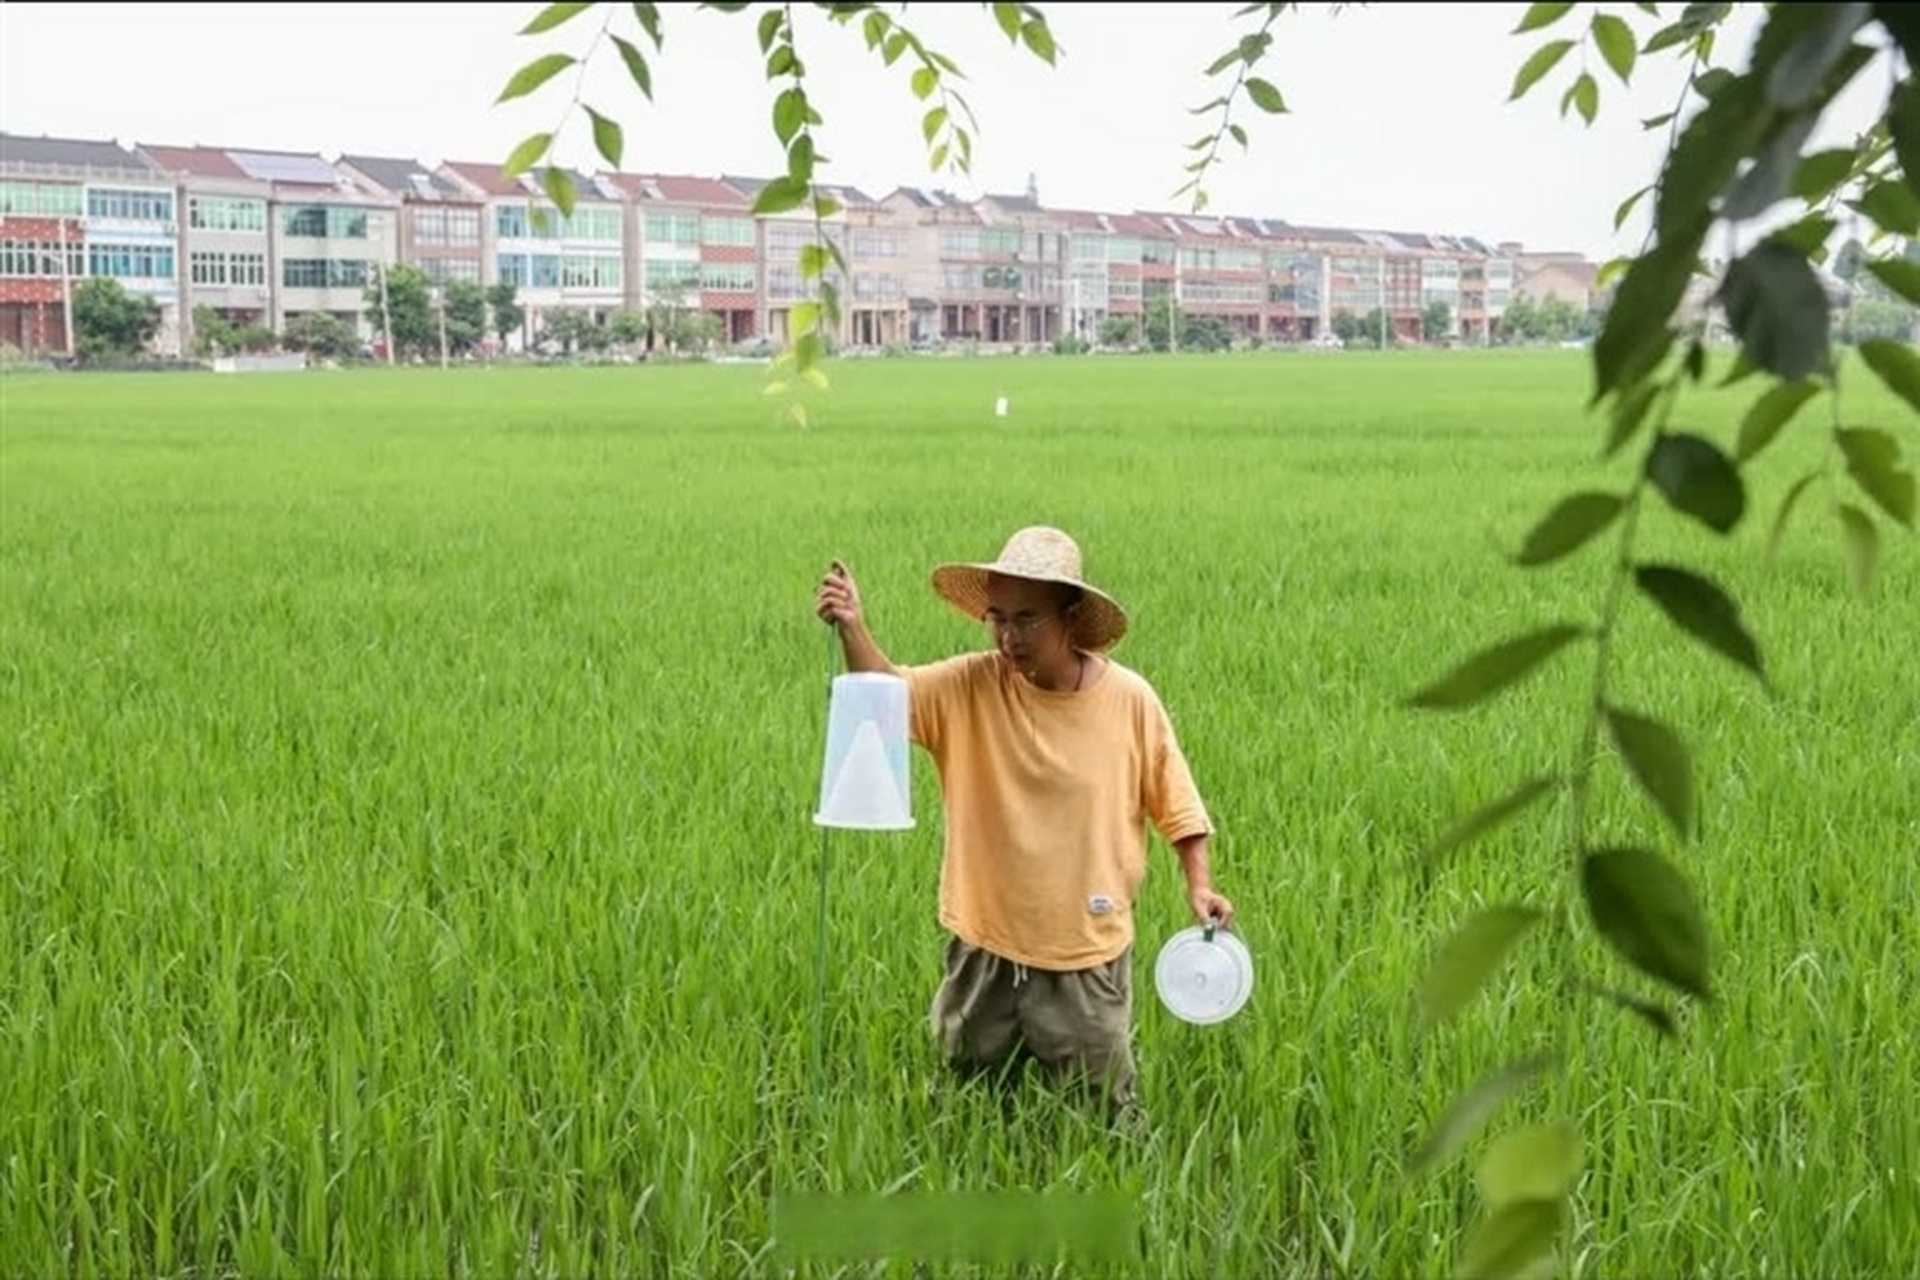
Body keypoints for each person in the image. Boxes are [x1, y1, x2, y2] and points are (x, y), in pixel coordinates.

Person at [812, 524, 1235, 1117]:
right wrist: (854, 625)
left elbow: (1178, 803)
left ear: (1071, 617)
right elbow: (885, 697)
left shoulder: (1129, 702)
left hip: (1082, 950)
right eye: (997, 617)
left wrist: (1199, 884)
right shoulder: (970, 686)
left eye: (1027, 619)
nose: (1008, 636)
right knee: (969, 1099)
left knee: (1104, 1112)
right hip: (984, 941)